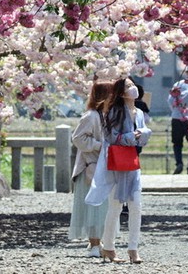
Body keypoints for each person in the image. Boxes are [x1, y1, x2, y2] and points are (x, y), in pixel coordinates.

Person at [85, 78, 152, 264]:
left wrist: (144, 134)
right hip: (116, 165)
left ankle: (133, 249)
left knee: (136, 206)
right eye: (129, 86)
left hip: (132, 164)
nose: (133, 89)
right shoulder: (113, 112)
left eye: (133, 86)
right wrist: (132, 136)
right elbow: (112, 138)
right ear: (122, 93)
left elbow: (144, 133)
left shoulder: (138, 112)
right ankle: (109, 247)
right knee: (114, 207)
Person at [69, 81, 113, 257]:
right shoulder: (91, 116)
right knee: (95, 206)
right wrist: (99, 146)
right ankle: (94, 243)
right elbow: (77, 138)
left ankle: (96, 242)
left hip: (99, 165)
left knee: (101, 206)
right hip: (90, 166)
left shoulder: (103, 115)